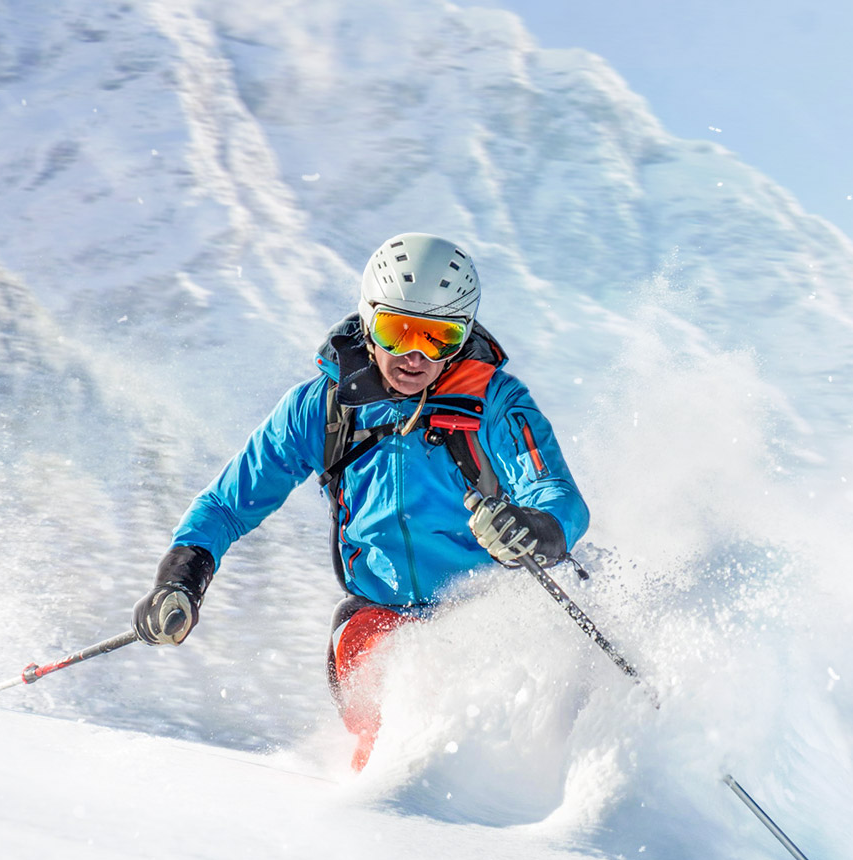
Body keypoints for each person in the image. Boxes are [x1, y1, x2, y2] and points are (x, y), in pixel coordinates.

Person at [133, 232, 590, 770]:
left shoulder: (494, 403)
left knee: (525, 701)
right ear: (369, 321)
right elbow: (231, 503)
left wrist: (535, 527)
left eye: (438, 338)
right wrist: (182, 576)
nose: (415, 355)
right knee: (376, 668)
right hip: (384, 616)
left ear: (462, 337)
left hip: (495, 606)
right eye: (398, 331)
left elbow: (557, 495)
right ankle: (390, 794)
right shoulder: (323, 410)